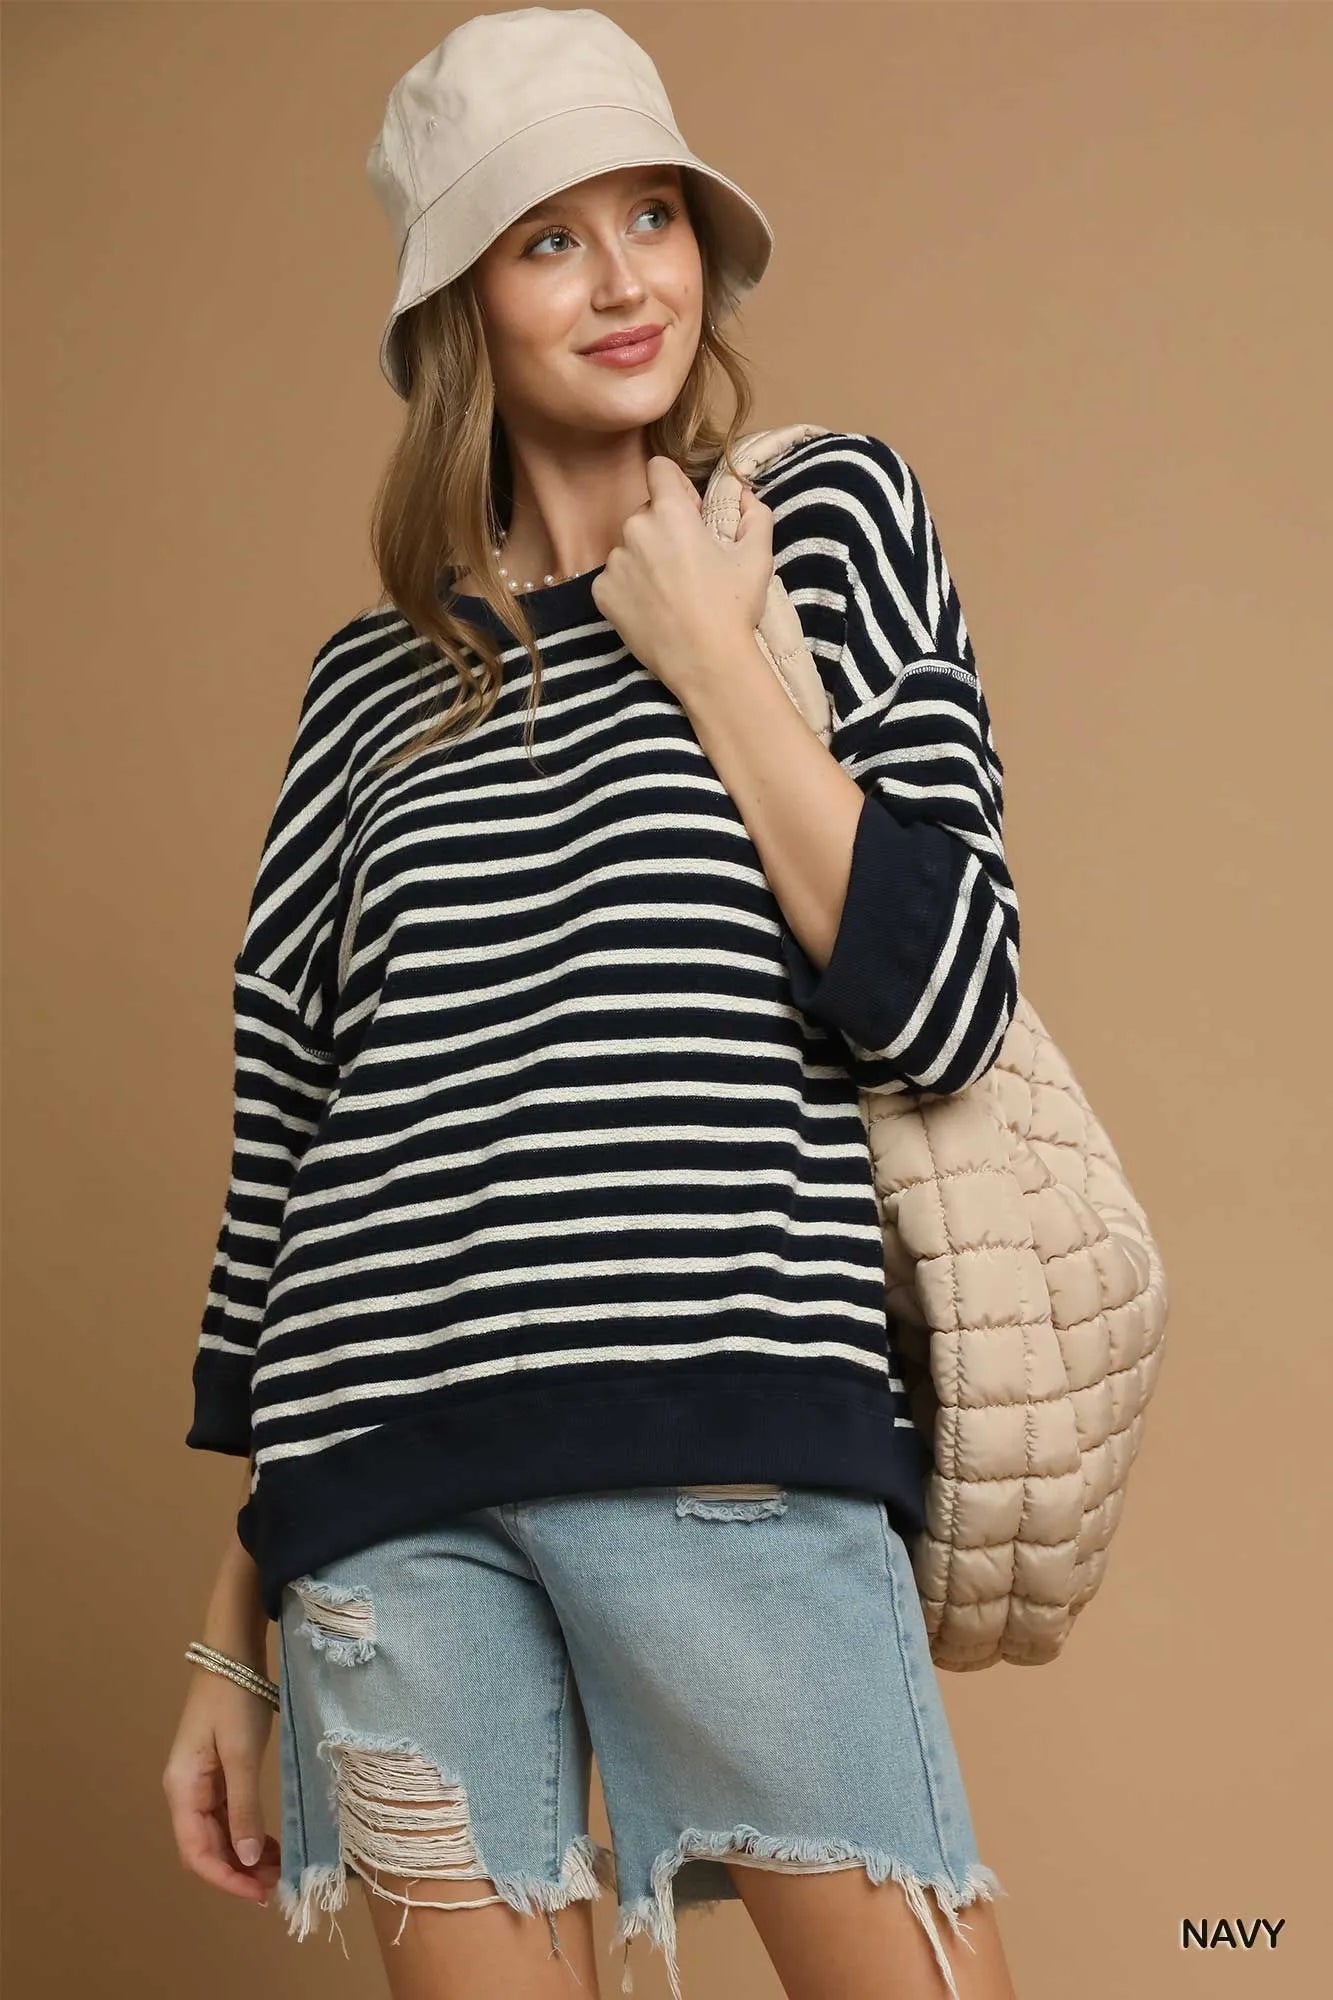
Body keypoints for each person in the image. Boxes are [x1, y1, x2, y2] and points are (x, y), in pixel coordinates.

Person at [162, 11, 1022, 1999]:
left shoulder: (819, 527)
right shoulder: (363, 693)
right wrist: (238, 1611)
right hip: (384, 1500)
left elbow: (948, 997)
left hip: (723, 1429)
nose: (629, 275)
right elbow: (287, 1139)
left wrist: (714, 659)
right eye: (549, 236)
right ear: (458, 300)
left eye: (654, 214)